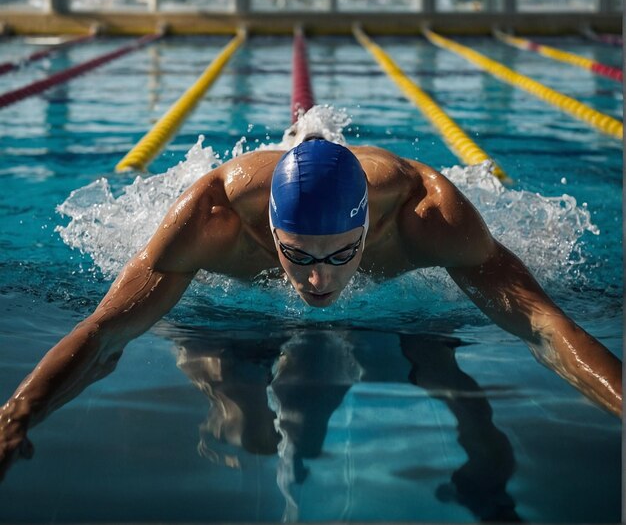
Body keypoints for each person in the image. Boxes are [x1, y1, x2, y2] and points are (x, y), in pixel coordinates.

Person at [0, 138, 622, 481]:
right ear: (267, 230)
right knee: (241, 417)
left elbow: (543, 326)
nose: (318, 280)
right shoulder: (210, 220)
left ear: (369, 231)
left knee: (460, 393)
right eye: (295, 256)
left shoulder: (427, 218)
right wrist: (18, 413)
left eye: (340, 255)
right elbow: (108, 330)